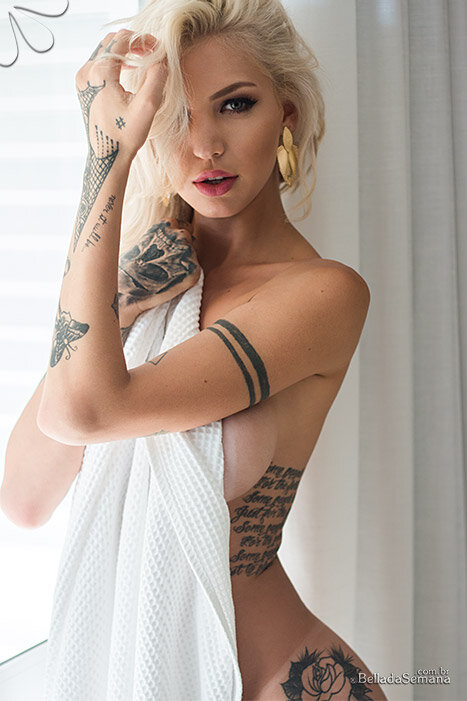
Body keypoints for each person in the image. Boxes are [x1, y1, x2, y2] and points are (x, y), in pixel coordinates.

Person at [1, 1, 388, 699]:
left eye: (235, 105)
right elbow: (25, 496)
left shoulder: (322, 294)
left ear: (286, 114)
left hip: (288, 680)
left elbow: (86, 409)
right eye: (175, 116)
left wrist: (106, 160)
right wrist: (124, 298)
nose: (204, 145)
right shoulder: (141, 284)